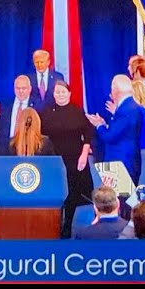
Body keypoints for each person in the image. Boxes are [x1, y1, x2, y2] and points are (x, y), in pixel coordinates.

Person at [40, 81, 94, 238]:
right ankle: (53, 227)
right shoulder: (46, 113)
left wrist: (84, 155)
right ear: (53, 94)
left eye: (63, 92)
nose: (60, 95)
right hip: (53, 162)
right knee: (56, 194)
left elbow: (88, 135)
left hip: (76, 161)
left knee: (74, 194)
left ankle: (69, 226)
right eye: (57, 92)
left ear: (69, 94)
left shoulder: (77, 111)